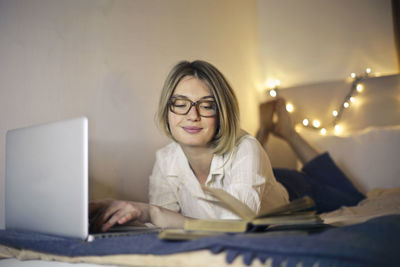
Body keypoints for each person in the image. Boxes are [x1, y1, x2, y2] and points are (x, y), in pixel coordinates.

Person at [90, 60, 289, 232]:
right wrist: (119, 216)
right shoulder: (166, 159)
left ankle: (278, 131)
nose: (193, 116)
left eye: (207, 105)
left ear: (222, 113)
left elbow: (235, 228)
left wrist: (150, 211)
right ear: (167, 110)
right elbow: (163, 226)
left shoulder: (246, 148)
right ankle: (265, 131)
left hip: (289, 192)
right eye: (180, 103)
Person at [255, 98, 365, 213]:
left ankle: (286, 133)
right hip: (288, 189)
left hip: (282, 181)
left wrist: (261, 135)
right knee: (356, 201)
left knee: (354, 199)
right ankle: (288, 133)